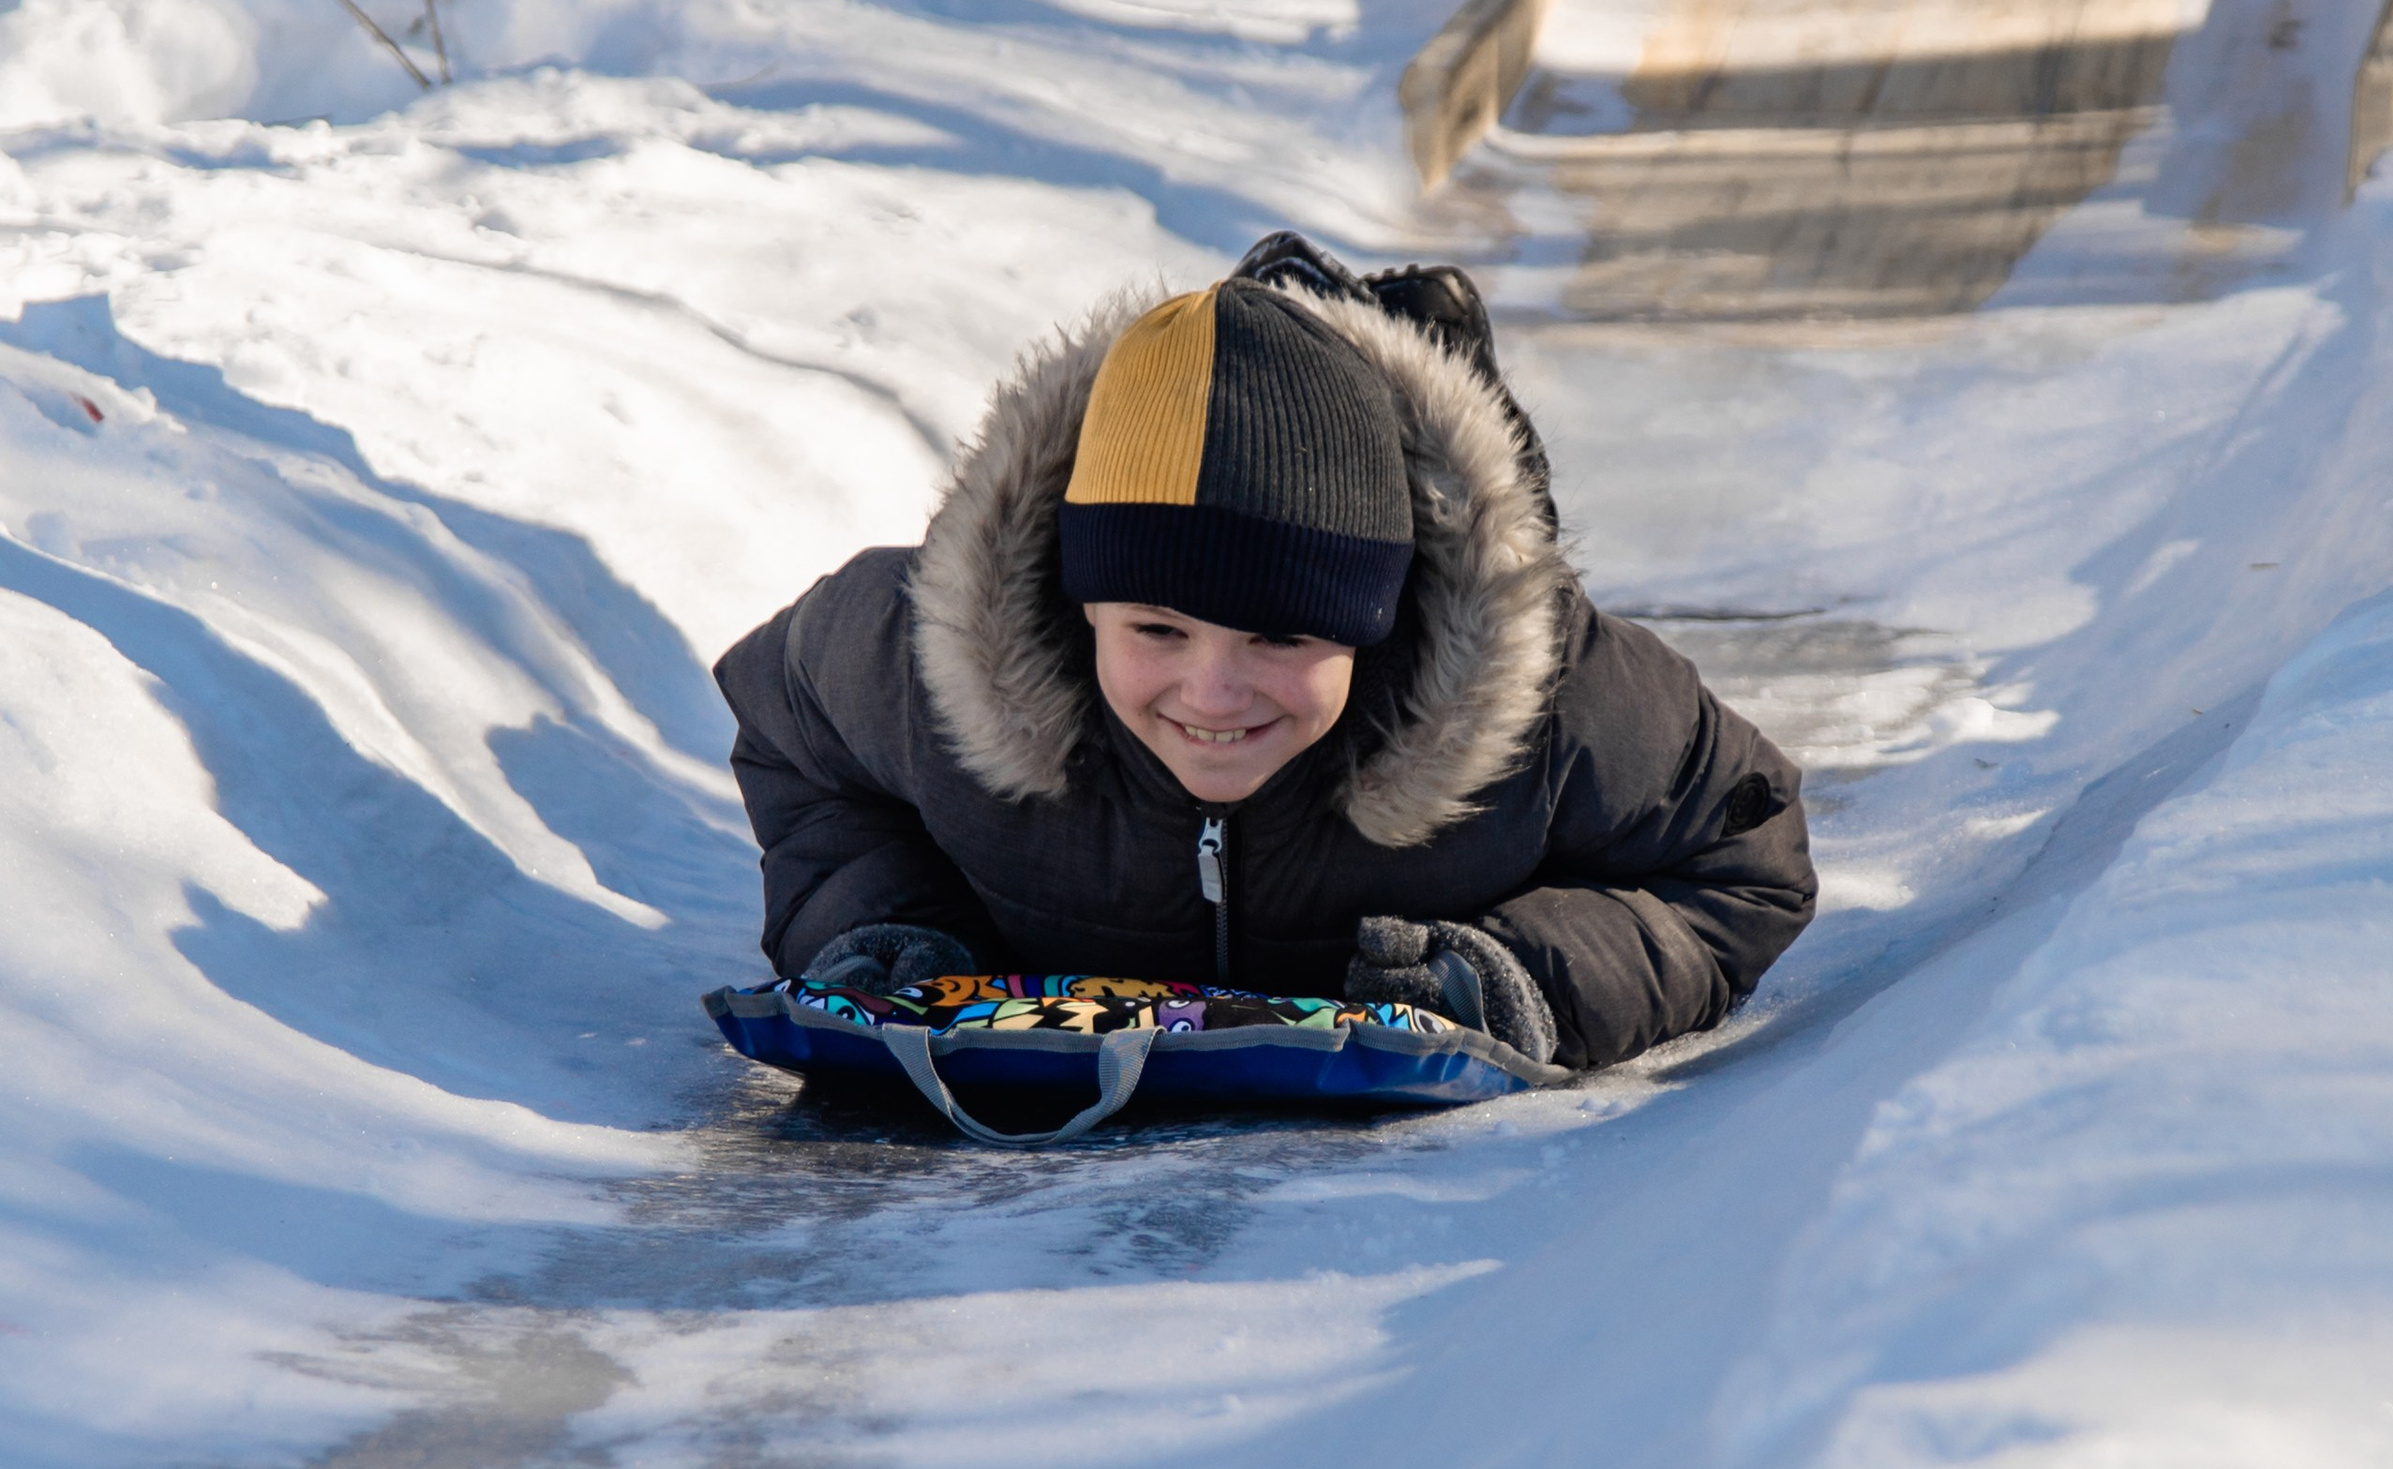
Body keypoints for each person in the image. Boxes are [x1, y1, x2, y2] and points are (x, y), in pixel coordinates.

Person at [714, 234, 1815, 1072]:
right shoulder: (923, 660)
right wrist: (884, 925)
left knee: (1488, 519)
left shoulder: (1550, 700)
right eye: (1155, 631)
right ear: (1076, 606)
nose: (1213, 691)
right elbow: (791, 735)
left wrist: (1529, 973)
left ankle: (1397, 342)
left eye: (1281, 637)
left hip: (1425, 599)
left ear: (1367, 624)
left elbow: (1744, 859)